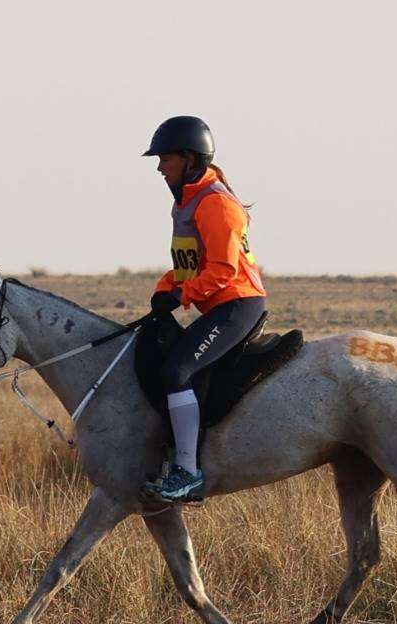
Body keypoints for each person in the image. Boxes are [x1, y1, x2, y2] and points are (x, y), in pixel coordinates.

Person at [138, 116, 266, 503]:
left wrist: (181, 296)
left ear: (189, 159)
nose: (160, 167)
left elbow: (223, 271)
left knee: (179, 370)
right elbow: (188, 264)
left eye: (165, 159)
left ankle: (188, 473)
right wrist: (165, 290)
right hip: (218, 301)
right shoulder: (188, 202)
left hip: (238, 302)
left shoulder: (215, 204)